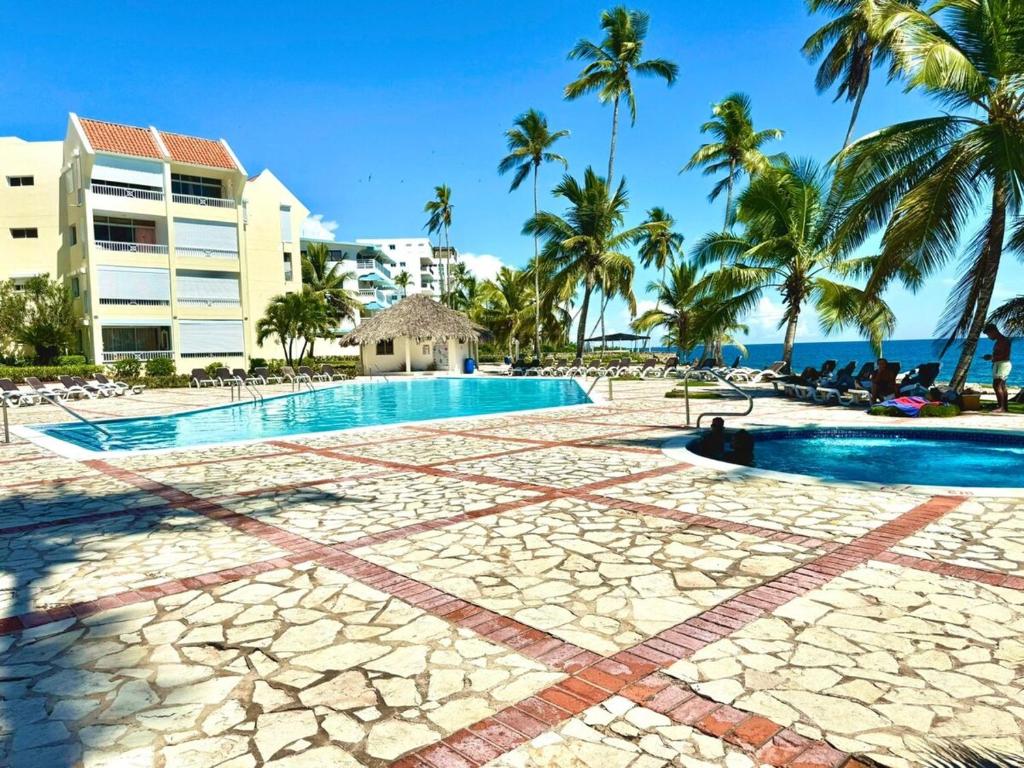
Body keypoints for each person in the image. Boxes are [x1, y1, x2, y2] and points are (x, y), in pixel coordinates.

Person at [982, 323, 1012, 413]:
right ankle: (1004, 407)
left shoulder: (1003, 341)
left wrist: (992, 358)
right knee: (1002, 386)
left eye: (988, 334)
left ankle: (1001, 407)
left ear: (993, 331)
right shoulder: (1000, 341)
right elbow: (1000, 354)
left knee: (997, 385)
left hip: (1002, 364)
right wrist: (992, 357)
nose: (988, 337)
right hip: (1001, 364)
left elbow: (1004, 355)